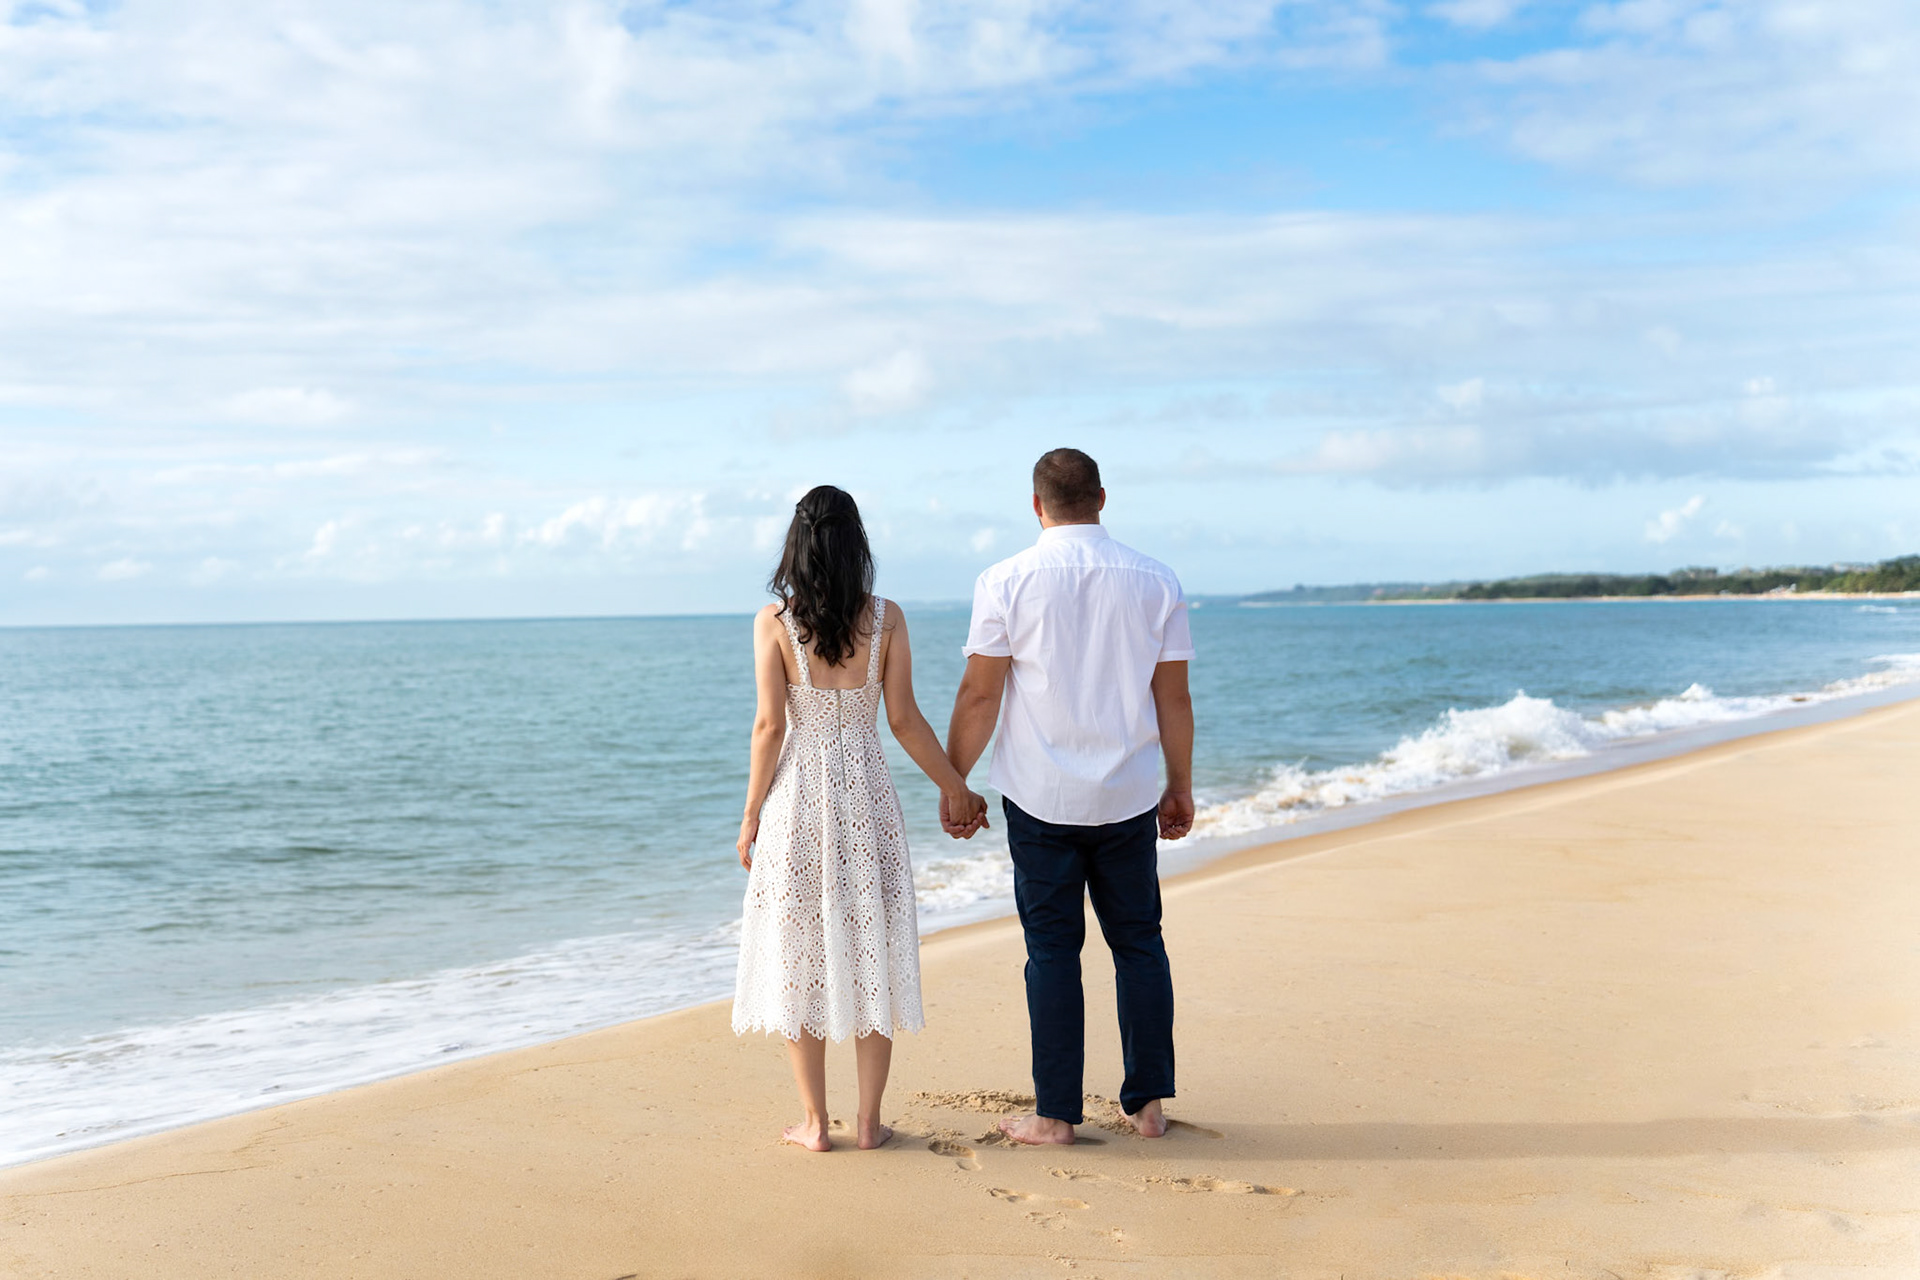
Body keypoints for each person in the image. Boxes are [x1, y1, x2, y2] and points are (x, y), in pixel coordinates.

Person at [943, 447, 1195, 1146]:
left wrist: (954, 781)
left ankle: (1054, 1115)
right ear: (1102, 499)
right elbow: (1172, 697)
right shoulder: (1156, 580)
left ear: (1036, 504)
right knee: (1139, 943)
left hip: (1040, 796)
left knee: (1052, 951)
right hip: (1127, 792)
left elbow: (979, 692)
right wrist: (1180, 784)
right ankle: (1147, 1106)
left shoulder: (1004, 580)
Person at [732, 484, 988, 1152]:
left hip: (799, 799)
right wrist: (955, 786)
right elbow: (903, 720)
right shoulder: (889, 618)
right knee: (870, 948)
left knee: (800, 956)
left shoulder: (775, 623)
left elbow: (768, 726)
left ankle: (816, 1125)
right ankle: (869, 1122)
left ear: (797, 544)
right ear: (857, 545)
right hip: (867, 796)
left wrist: (752, 812)